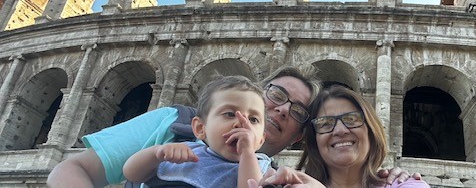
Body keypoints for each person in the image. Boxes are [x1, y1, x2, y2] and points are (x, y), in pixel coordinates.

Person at [47, 66, 416, 187]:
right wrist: (158, 152)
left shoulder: (276, 176)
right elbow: (72, 167)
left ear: (301, 134)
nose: (282, 109)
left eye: (299, 110)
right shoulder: (170, 123)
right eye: (274, 94)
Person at [252, 84, 430, 188]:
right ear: (315, 140)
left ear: (371, 130)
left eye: (352, 119)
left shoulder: (407, 184)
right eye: (325, 123)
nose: (339, 130)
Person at [123, 75, 269, 187]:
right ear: (200, 128)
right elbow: (131, 173)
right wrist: (156, 154)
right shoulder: (187, 153)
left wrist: (247, 154)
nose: (241, 124)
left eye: (253, 119)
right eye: (230, 114)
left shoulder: (262, 168)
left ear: (261, 140)